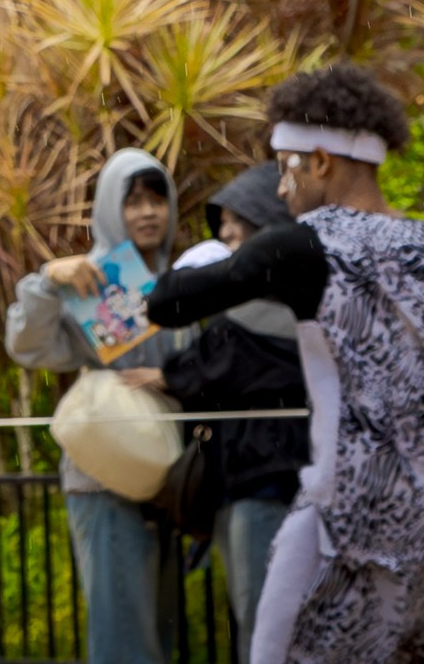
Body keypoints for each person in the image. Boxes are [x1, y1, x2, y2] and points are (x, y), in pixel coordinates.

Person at [148, 66, 424, 664]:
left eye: (284, 166)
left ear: (319, 160)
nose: (279, 190)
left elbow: (166, 304)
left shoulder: (303, 246)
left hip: (344, 524)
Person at [122, 161, 307, 662]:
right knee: (257, 610)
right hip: (241, 476)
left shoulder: (286, 299)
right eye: (219, 223)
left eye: (235, 222)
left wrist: (170, 377)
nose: (224, 234)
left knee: (263, 611)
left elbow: (233, 357)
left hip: (266, 478)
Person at [7, 147, 185, 664]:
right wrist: (47, 281)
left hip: (172, 479)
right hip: (104, 478)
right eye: (132, 202)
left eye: (157, 199)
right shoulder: (85, 283)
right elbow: (28, 347)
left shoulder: (188, 278)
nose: (148, 212)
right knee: (122, 640)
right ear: (110, 208)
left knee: (159, 634)